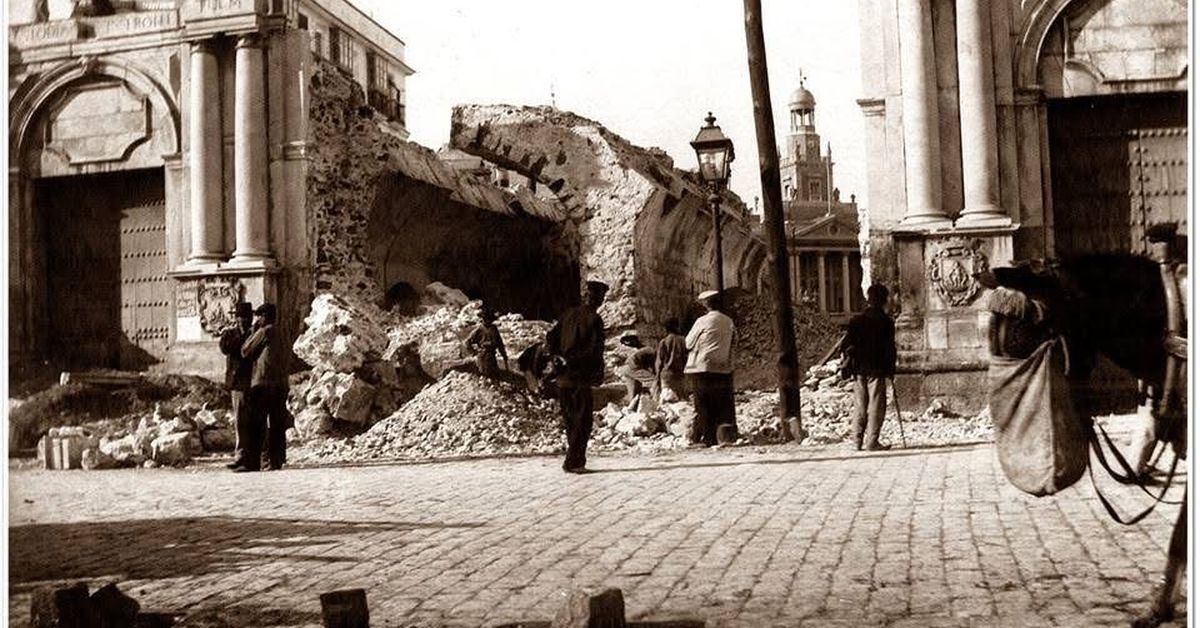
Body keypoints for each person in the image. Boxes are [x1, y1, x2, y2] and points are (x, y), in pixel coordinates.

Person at [545, 280, 608, 474]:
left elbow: (550, 337)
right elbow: (594, 351)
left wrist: (557, 358)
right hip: (580, 377)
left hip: (563, 378)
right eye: (601, 297)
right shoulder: (594, 319)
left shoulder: (568, 315)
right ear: (597, 298)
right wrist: (597, 374)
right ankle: (574, 462)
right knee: (583, 421)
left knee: (571, 419)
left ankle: (574, 460)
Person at [840, 284, 897, 451]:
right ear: (884, 300)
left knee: (860, 404)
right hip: (877, 369)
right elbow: (890, 349)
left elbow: (846, 345)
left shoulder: (856, 321)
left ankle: (856, 440)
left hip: (858, 369)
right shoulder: (886, 322)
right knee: (876, 406)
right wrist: (891, 370)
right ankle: (872, 441)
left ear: (869, 298)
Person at [237, 303, 293, 472]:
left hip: (263, 384)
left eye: (259, 316)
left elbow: (245, 350)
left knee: (259, 423)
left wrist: (254, 331)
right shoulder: (284, 332)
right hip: (281, 384)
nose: (257, 319)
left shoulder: (265, 331)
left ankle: (263, 460)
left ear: (264, 317)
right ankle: (277, 459)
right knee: (277, 423)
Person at [684, 290, 737, 447]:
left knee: (703, 404)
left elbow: (688, 343)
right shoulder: (728, 321)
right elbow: (735, 342)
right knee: (720, 403)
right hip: (723, 368)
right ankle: (723, 436)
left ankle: (707, 438)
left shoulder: (702, 321)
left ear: (706, 304)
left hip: (702, 367)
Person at [218, 302, 254, 470]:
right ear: (236, 318)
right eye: (241, 317)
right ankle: (240, 456)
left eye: (246, 318)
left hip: (253, 382)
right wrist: (242, 336)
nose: (243, 320)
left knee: (252, 421)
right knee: (240, 421)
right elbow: (226, 348)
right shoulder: (230, 334)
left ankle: (251, 457)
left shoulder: (255, 333)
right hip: (238, 383)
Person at [464, 307, 508, 378]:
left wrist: (504, 355)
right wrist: (474, 353)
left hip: (492, 355)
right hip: (483, 356)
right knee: (484, 374)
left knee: (494, 375)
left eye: (489, 319)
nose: (487, 321)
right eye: (485, 319)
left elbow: (499, 343)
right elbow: (467, 342)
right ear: (483, 319)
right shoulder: (479, 329)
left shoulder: (494, 329)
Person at [618, 333, 658, 412]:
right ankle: (657, 403)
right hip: (632, 367)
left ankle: (632, 410)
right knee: (654, 381)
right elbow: (655, 367)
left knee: (634, 392)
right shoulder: (653, 351)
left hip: (625, 368)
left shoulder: (645, 350)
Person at [655, 318, 688, 402]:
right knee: (681, 401)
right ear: (677, 326)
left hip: (666, 374)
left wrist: (657, 377)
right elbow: (686, 357)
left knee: (667, 400)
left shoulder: (663, 342)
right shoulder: (683, 340)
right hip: (679, 374)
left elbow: (659, 362)